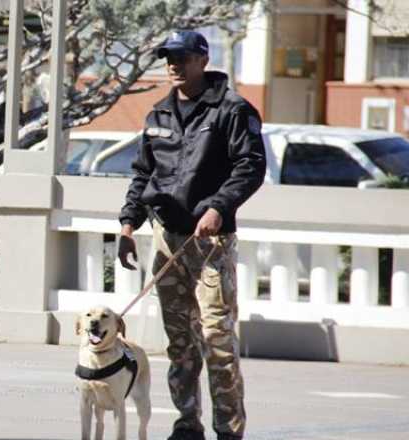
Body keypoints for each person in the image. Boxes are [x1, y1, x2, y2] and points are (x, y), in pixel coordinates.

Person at [116, 30, 266, 440]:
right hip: (169, 241)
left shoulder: (232, 109)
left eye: (181, 57)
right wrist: (128, 224)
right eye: (168, 57)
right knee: (180, 344)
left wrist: (219, 206)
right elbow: (144, 175)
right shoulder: (158, 114)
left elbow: (250, 166)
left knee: (216, 340)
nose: (173, 65)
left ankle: (229, 431)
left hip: (210, 242)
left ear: (203, 59)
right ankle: (187, 425)